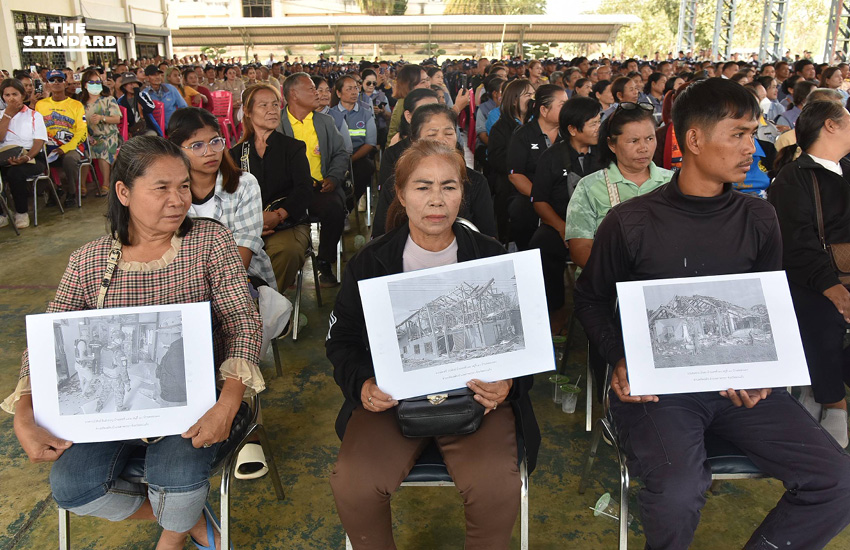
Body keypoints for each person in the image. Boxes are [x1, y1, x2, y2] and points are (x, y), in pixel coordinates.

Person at [574, 77, 850, 550]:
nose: (753, 150)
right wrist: (621, 356)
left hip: (739, 386)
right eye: (739, 135)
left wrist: (763, 369)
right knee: (679, 491)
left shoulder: (758, 217)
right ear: (694, 140)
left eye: (753, 134)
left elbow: (768, 301)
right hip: (659, 391)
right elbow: (592, 299)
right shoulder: (632, 221)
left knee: (837, 481)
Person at [3, 135, 264, 550]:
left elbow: (242, 322)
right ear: (123, 192)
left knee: (175, 478)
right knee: (72, 487)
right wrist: (23, 414)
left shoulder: (209, 243)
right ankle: (188, 520)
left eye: (183, 186)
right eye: (161, 188)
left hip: (196, 404)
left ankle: (171, 536)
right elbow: (46, 342)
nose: (178, 200)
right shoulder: (89, 260)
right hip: (109, 406)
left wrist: (227, 403)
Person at [326, 140, 539, 550]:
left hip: (478, 399)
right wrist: (363, 385)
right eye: (423, 187)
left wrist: (510, 383)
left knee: (496, 484)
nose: (436, 201)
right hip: (392, 401)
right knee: (354, 483)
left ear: (464, 191)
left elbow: (525, 341)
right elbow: (342, 340)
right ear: (401, 194)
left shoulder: (492, 259)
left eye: (449, 186)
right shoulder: (370, 263)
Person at [769, 100, 850, 447]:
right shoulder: (793, 177)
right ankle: (833, 403)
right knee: (824, 314)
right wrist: (830, 285)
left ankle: (820, 388)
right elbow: (797, 243)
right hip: (813, 276)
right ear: (830, 126)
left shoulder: (847, 167)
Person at [168, 106, 277, 292]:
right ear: (177, 150)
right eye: (197, 146)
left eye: (215, 142)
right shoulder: (169, 192)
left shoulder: (244, 185)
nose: (210, 152)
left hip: (240, 280)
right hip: (182, 283)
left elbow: (243, 252)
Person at [565, 102, 672, 270]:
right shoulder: (589, 187)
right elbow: (580, 249)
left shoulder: (673, 182)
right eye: (633, 141)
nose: (643, 148)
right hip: (608, 281)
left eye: (650, 139)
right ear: (611, 144)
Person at [231, 84, 312, 292]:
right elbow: (229, 195)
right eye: (264, 105)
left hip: (286, 224)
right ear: (248, 112)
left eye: (276, 105)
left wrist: (279, 214)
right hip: (245, 225)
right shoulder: (236, 154)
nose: (272, 110)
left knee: (288, 250)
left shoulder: (293, 147)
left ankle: (268, 308)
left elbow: (304, 189)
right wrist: (252, 222)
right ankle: (244, 304)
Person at [372, 104, 496, 239]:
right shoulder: (396, 183)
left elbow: (488, 237)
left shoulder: (476, 182)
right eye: (432, 134)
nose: (442, 140)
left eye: (449, 133)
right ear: (414, 140)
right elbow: (380, 236)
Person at [530, 96, 604, 315]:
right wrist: (563, 228)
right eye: (593, 124)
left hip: (601, 221)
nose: (598, 128)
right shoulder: (551, 157)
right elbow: (539, 200)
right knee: (542, 244)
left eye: (599, 122)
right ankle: (555, 310)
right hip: (560, 222)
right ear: (573, 129)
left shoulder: (605, 154)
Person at [278, 72, 348, 286]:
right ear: (293, 94)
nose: (317, 93)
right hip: (288, 191)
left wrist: (334, 177)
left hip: (320, 189)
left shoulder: (324, 122)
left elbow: (340, 153)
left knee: (335, 208)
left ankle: (324, 262)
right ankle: (289, 262)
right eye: (311, 89)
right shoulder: (278, 124)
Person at [506, 84, 567, 251]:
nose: (568, 109)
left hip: (562, 191)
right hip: (530, 194)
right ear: (544, 110)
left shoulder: (568, 134)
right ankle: (527, 253)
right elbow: (515, 175)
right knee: (521, 210)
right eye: (562, 105)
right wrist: (541, 197)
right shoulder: (523, 135)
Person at [488, 78, 534, 245]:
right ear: (514, 100)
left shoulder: (536, 125)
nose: (533, 99)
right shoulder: (500, 128)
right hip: (509, 188)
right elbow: (495, 159)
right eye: (528, 94)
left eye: (534, 94)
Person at [35, 69, 87, 206]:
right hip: (48, 145)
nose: (56, 83)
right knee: (36, 159)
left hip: (71, 146)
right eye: (52, 80)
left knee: (70, 160)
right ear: (47, 85)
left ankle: (72, 192)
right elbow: (37, 128)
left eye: (60, 80)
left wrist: (65, 148)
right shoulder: (40, 105)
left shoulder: (76, 105)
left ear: (65, 83)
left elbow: (82, 131)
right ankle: (53, 190)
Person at [0, 78, 47, 229]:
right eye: (7, 95)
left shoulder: (34, 115)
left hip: (31, 158)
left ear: (22, 95)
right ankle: (2, 214)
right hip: (4, 157)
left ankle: (21, 212)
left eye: (15, 94)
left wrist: (26, 157)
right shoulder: (1, 114)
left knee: (15, 172)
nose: (11, 98)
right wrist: (8, 115)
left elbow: (39, 142)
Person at [376, 88, 440, 193]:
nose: (432, 118)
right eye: (424, 112)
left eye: (437, 111)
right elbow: (387, 194)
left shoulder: (451, 147)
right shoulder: (393, 154)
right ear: (408, 116)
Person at [329, 74, 377, 212]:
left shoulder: (366, 113)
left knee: (366, 168)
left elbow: (370, 143)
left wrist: (351, 159)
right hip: (335, 158)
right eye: (349, 89)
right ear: (338, 93)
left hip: (358, 156)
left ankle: (346, 208)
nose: (354, 92)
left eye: (356, 88)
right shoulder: (329, 115)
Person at [79, 69, 120, 197]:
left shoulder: (108, 100)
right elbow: (80, 123)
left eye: (97, 82)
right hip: (89, 137)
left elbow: (117, 118)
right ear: (85, 84)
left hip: (108, 135)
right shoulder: (81, 104)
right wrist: (88, 137)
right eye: (91, 82)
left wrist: (102, 118)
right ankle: (82, 186)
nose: (95, 84)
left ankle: (106, 184)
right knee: (83, 152)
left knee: (103, 149)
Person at [387, 64, 430, 146]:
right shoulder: (403, 104)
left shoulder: (421, 101)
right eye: (423, 82)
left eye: (428, 80)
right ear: (409, 85)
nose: (428, 85)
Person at [116, 73, 162, 138]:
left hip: (146, 128)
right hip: (131, 131)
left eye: (134, 83)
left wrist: (138, 96)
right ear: (124, 86)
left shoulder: (144, 95)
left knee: (151, 135)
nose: (132, 86)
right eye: (129, 83)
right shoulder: (120, 101)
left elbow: (150, 109)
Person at [361, 69, 391, 153]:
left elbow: (389, 116)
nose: (371, 85)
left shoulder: (381, 96)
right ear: (362, 82)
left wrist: (383, 112)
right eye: (368, 83)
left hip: (380, 132)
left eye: (374, 83)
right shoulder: (357, 97)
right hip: (362, 132)